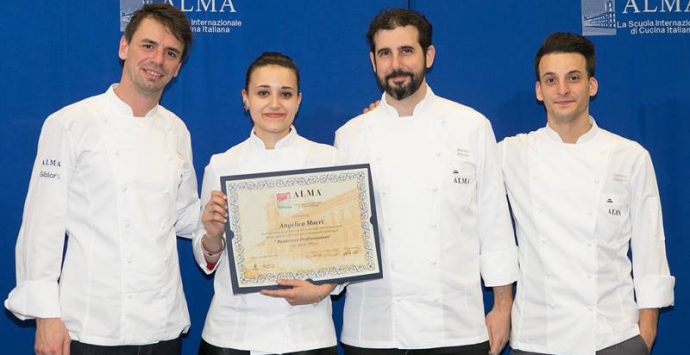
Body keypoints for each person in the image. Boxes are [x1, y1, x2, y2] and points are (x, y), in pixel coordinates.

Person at [4, 4, 198, 355]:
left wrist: (227, 215)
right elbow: (41, 226)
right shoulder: (70, 123)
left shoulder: (177, 131)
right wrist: (47, 315)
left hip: (162, 323)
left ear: (178, 68)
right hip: (91, 326)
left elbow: (184, 215)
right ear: (124, 47)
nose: (158, 60)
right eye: (148, 45)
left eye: (171, 53)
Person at [334, 8, 518, 355]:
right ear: (373, 61)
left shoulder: (471, 127)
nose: (396, 64)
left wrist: (503, 307)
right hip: (373, 328)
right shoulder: (350, 137)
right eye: (385, 54)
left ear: (428, 56)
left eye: (406, 51)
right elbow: (340, 235)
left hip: (456, 328)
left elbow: (494, 226)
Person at [500, 32, 675, 355]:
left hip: (613, 335)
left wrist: (645, 331)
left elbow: (650, 245)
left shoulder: (630, 155)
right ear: (539, 91)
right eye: (551, 80)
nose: (563, 90)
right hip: (538, 337)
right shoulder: (511, 153)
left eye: (574, 78)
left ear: (591, 85)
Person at [195, 52, 339, 355]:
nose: (274, 104)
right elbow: (207, 257)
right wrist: (211, 234)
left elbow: (348, 247)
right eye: (263, 93)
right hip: (231, 336)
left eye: (285, 94)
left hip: (307, 335)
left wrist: (322, 290)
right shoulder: (222, 165)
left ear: (298, 100)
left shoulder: (329, 160)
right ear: (245, 98)